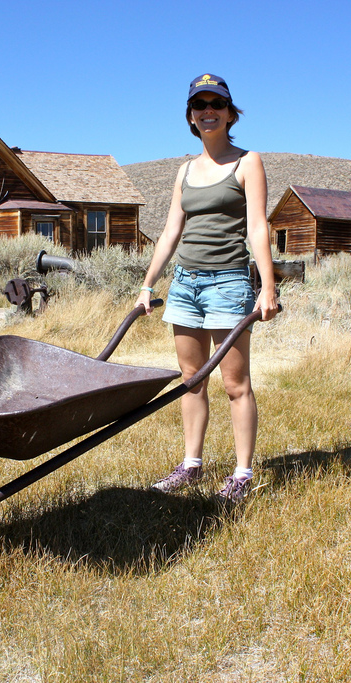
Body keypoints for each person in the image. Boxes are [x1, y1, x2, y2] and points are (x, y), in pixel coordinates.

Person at [135, 73, 279, 504]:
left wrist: (267, 286)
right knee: (191, 380)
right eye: (200, 105)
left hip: (229, 283)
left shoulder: (247, 162)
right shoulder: (184, 171)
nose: (208, 111)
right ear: (191, 117)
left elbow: (257, 227)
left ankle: (241, 474)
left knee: (235, 384)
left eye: (216, 103)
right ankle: (191, 465)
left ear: (231, 113)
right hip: (185, 284)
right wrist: (147, 285)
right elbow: (169, 233)